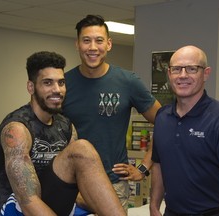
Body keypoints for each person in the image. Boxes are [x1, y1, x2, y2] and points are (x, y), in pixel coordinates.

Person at [0, 51, 126, 216]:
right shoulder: (17, 129)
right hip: (20, 208)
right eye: (48, 83)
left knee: (82, 151)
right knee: (82, 148)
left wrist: (99, 207)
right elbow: (28, 201)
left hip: (56, 204)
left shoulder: (66, 126)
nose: (57, 90)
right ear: (31, 87)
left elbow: (72, 188)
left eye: (61, 83)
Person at [62, 14, 161, 213]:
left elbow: (164, 122)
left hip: (113, 185)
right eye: (86, 40)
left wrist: (144, 167)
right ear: (77, 44)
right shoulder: (63, 84)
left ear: (109, 44)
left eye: (99, 40)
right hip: (71, 186)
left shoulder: (128, 81)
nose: (92, 47)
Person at [150, 45, 219, 216]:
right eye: (176, 69)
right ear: (169, 74)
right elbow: (158, 165)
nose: (183, 75)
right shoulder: (162, 117)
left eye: (191, 69)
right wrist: (154, 205)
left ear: (206, 73)